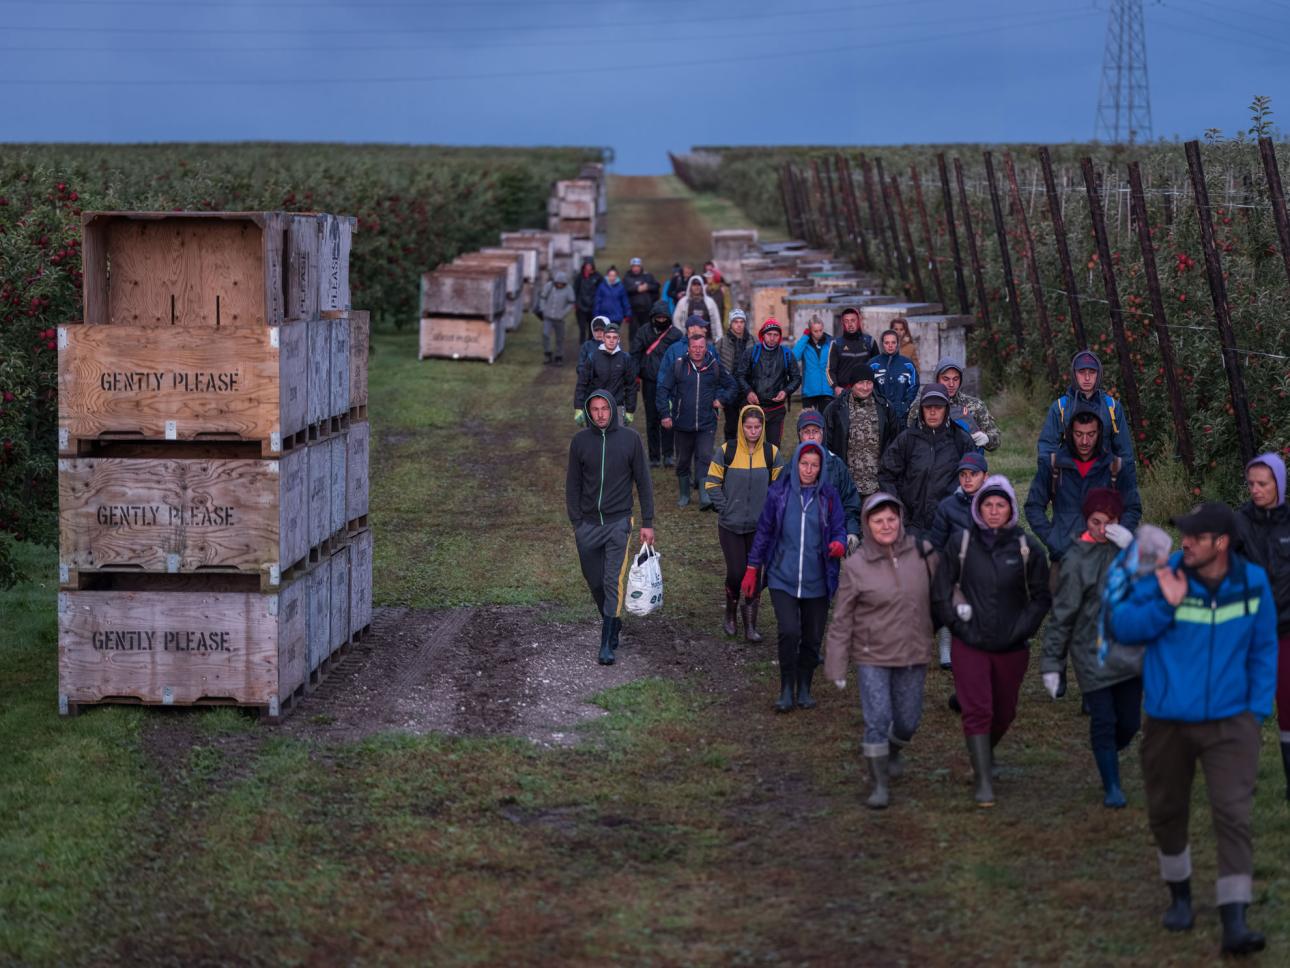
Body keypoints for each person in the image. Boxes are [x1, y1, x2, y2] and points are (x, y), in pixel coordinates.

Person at [1109, 501, 1276, 955]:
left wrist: (1255, 712)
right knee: (1167, 812)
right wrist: (1166, 603)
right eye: (1183, 534)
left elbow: (1264, 648)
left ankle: (1235, 919)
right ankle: (1180, 897)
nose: (1184, 542)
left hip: (1231, 722)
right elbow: (1122, 625)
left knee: (1233, 814)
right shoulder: (1165, 574)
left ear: (1221, 543)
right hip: (1169, 721)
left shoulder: (1252, 583)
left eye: (1195, 537)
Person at [931, 476, 1051, 807]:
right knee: (977, 709)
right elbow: (941, 590)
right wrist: (958, 627)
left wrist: (1022, 629)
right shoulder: (961, 543)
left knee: (1004, 712)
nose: (994, 510)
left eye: (1001, 505)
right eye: (988, 504)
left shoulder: (1028, 548)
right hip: (970, 642)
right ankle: (983, 779)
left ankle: (985, 753)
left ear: (1011, 509)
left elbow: (1041, 597)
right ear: (977, 508)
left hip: (1012, 645)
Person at [825, 493, 940, 809]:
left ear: (901, 520)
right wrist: (836, 664)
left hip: (913, 651)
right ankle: (879, 784)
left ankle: (893, 750)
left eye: (891, 519)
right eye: (878, 521)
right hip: (872, 654)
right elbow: (842, 619)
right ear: (867, 524)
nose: (886, 526)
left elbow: (945, 591)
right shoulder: (856, 566)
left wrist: (962, 612)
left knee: (907, 721)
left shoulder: (923, 553)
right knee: (877, 718)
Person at [1039, 489, 1141, 809]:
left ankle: (1107, 750)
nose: (1102, 529)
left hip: (1127, 649)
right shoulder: (1076, 560)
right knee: (1104, 719)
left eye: (1110, 522)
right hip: (1090, 651)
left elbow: (1154, 586)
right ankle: (1112, 786)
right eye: (1096, 522)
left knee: (1130, 722)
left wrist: (1134, 551)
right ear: (1087, 521)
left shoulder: (1127, 551)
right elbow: (1062, 615)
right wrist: (1051, 663)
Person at [744, 441, 847, 713]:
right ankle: (786, 688)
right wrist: (753, 567)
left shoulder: (829, 497)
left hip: (818, 581)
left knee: (812, 638)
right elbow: (764, 531)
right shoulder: (778, 493)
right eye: (804, 464)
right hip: (783, 577)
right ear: (796, 464)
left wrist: (839, 543)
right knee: (789, 631)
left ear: (821, 468)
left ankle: (804, 688)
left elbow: (839, 527)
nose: (808, 470)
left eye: (814, 465)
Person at [565, 391, 656, 666]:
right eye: (595, 409)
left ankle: (606, 642)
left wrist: (647, 522)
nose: (601, 414)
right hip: (588, 525)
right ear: (588, 412)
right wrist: (577, 522)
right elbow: (573, 484)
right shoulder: (580, 442)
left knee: (611, 580)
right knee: (595, 581)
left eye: (605, 408)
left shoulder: (631, 439)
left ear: (613, 409)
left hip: (619, 523)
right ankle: (612, 620)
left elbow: (644, 481)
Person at [1232, 452, 1290, 803]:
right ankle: (1241, 780)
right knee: (1246, 707)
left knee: (1288, 703)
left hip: (1286, 628)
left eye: (1263, 484)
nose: (1255, 490)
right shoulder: (1238, 523)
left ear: (1279, 484)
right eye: (1251, 483)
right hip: (1250, 630)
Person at [1025, 408, 1143, 567]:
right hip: (1064, 558)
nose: (1085, 441)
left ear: (1099, 434)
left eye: (1091, 434)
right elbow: (1033, 506)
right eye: (1079, 434)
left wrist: (1120, 535)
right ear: (1069, 434)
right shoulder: (1053, 465)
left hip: (1106, 559)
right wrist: (1053, 539)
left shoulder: (1115, 467)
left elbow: (1132, 507)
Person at [705, 405, 783, 641]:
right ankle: (730, 612)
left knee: (754, 574)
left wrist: (770, 514)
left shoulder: (771, 453)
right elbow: (712, 484)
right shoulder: (726, 451)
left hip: (759, 527)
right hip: (730, 525)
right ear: (741, 426)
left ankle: (750, 624)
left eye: (757, 427)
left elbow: (780, 489)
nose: (753, 431)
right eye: (749, 427)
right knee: (737, 572)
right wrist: (726, 508)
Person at [879, 385, 974, 539]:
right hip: (911, 526)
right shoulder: (906, 439)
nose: (932, 412)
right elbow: (886, 475)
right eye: (928, 407)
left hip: (949, 526)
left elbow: (973, 480)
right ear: (921, 409)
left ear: (946, 409)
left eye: (938, 407)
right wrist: (900, 514)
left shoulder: (961, 440)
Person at [656, 328, 736, 510]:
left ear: (706, 348)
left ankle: (704, 495)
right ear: (689, 348)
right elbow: (662, 390)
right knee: (683, 460)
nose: (698, 350)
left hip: (707, 423)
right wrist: (665, 414)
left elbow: (732, 385)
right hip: (682, 423)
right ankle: (684, 494)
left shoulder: (714, 366)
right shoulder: (678, 366)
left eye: (701, 347)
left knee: (705, 457)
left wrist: (722, 399)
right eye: (694, 347)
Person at [928, 452, 988, 670]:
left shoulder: (994, 503)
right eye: (963, 474)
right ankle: (946, 646)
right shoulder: (948, 506)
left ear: (985, 476)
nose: (967, 479)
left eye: (973, 474)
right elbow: (937, 543)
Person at [1038, 350, 1134, 463]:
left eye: (1092, 372)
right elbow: (1047, 449)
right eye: (1082, 372)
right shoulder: (1060, 407)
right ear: (1074, 374)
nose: (1087, 378)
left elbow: (1124, 451)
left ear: (1099, 374)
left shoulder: (1112, 407)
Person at [822, 367, 895, 501]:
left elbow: (894, 441)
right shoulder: (835, 409)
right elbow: (827, 445)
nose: (865, 387)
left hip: (877, 486)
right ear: (852, 384)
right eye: (861, 383)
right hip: (847, 486)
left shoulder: (885, 407)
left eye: (869, 383)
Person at [796, 410, 863, 552]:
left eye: (816, 431)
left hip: (831, 538)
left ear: (823, 434)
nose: (811, 436)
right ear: (799, 435)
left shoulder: (836, 465)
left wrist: (851, 531)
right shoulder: (791, 467)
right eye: (806, 432)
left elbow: (849, 501)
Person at [631, 301, 684, 468]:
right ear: (653, 317)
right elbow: (635, 354)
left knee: (668, 417)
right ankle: (654, 456)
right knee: (652, 418)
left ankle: (668, 454)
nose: (661, 321)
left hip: (670, 383)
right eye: (658, 318)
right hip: (650, 381)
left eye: (664, 318)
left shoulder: (676, 334)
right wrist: (635, 376)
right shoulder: (643, 332)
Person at [910, 359, 999, 453]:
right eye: (946, 379)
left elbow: (995, 439)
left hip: (967, 459)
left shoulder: (975, 406)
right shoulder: (921, 406)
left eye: (956, 379)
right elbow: (908, 439)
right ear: (937, 379)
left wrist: (987, 439)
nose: (951, 384)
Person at [737, 318, 801, 448]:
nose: (772, 338)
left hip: (776, 409)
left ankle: (771, 462)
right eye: (769, 334)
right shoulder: (752, 352)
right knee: (751, 446)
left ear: (780, 336)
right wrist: (748, 391)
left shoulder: (787, 354)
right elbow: (740, 375)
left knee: (773, 447)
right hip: (753, 407)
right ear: (763, 335)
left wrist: (786, 391)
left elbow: (796, 378)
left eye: (775, 335)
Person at [574, 321, 636, 425]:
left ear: (619, 339)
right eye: (608, 337)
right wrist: (578, 407)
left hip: (617, 406)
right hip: (596, 406)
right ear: (603, 338)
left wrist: (630, 410)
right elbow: (582, 383)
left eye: (614, 337)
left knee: (617, 435)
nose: (611, 340)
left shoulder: (625, 359)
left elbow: (631, 386)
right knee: (596, 436)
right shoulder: (593, 358)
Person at [716, 309, 753, 442]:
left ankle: (747, 450)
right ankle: (730, 449)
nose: (739, 325)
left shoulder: (752, 341)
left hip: (747, 388)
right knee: (731, 424)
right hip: (730, 388)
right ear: (730, 324)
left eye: (741, 321)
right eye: (735, 321)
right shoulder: (721, 342)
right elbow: (716, 365)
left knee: (748, 423)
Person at [870, 329, 919, 425]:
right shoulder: (873, 364)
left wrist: (905, 404)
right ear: (882, 344)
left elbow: (914, 385)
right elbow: (869, 386)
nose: (890, 345)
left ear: (897, 344)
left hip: (901, 415)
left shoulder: (907, 364)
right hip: (879, 415)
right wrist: (878, 403)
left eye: (893, 342)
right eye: (887, 343)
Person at [828, 305, 877, 398]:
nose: (850, 324)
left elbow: (877, 366)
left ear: (858, 321)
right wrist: (835, 387)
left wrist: (873, 386)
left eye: (853, 320)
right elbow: (830, 370)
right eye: (846, 321)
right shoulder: (836, 344)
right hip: (844, 392)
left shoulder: (869, 342)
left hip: (866, 391)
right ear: (843, 323)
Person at [793, 314, 834, 412]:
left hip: (827, 390)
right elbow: (794, 357)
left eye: (820, 330)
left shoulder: (831, 342)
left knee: (827, 420)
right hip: (809, 391)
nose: (819, 333)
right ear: (810, 331)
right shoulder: (805, 344)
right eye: (815, 331)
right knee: (809, 420)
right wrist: (805, 337)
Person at [535, 270, 575, 366]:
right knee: (545, 334)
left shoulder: (569, 289)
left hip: (559, 318)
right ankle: (547, 353)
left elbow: (571, 303)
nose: (559, 285)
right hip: (548, 316)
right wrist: (543, 309)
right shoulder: (549, 286)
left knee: (560, 338)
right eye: (558, 283)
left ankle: (559, 356)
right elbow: (543, 297)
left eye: (561, 284)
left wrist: (563, 313)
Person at [672, 274, 723, 340]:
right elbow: (676, 320)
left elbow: (717, 321)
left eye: (699, 284)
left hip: (708, 339)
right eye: (694, 285)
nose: (697, 287)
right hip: (688, 339)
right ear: (690, 286)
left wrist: (719, 337)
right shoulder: (683, 302)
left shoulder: (710, 302)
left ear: (702, 286)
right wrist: (681, 335)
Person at [624, 257, 660, 342]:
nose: (636, 268)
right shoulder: (627, 277)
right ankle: (633, 349)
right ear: (631, 267)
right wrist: (637, 289)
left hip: (647, 309)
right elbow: (625, 289)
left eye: (637, 266)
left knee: (647, 331)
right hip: (633, 311)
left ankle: (646, 348)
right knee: (633, 332)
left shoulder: (648, 276)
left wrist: (648, 287)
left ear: (640, 266)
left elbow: (656, 286)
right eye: (634, 266)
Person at [573, 257, 603, 345]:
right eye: (587, 265)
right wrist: (576, 303)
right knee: (582, 328)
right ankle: (582, 346)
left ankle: (591, 346)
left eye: (590, 265)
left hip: (593, 307)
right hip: (581, 307)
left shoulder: (598, 276)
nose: (588, 267)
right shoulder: (580, 277)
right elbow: (575, 290)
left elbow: (602, 290)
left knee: (592, 329)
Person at [593, 266, 632, 332]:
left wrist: (628, 314)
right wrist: (596, 315)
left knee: (614, 334)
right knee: (605, 334)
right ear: (607, 276)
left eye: (614, 275)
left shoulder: (621, 287)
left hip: (617, 317)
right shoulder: (601, 287)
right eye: (610, 275)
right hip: (604, 317)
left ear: (617, 276)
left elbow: (625, 301)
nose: (612, 277)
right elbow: (597, 302)